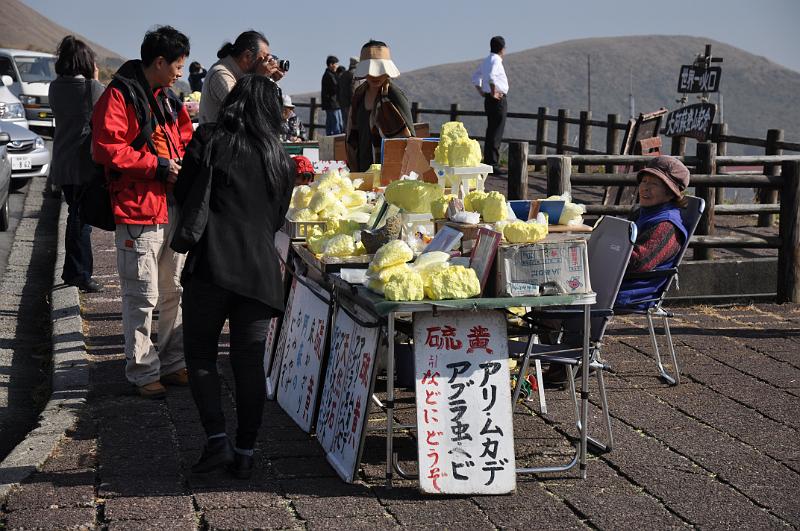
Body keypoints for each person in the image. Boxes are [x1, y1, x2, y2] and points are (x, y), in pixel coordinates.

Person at [173, 75, 294, 478]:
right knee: (248, 363)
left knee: (202, 355)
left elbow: (184, 195)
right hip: (259, 275)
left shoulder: (209, 139)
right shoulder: (280, 157)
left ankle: (216, 441)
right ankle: (246, 449)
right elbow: (278, 219)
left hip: (210, 267)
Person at [91, 25, 194, 399]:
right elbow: (106, 150)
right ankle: (142, 370)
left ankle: (172, 362)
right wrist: (158, 166)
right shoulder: (118, 95)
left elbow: (184, 139)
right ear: (161, 61)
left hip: (170, 205)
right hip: (138, 208)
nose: (181, 73)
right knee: (142, 293)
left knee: (173, 290)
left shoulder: (167, 97)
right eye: (178, 65)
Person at [542, 156, 691, 386]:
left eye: (654, 184)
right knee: (548, 287)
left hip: (633, 288)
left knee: (556, 296)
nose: (645, 188)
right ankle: (569, 356)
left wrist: (597, 251)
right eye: (644, 182)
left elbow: (638, 262)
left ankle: (572, 360)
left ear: (672, 192)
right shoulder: (644, 212)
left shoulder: (666, 225)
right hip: (614, 276)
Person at [48, 36, 105, 293]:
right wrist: (95, 76)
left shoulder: (54, 87)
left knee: (76, 214)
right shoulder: (90, 88)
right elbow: (105, 109)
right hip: (83, 163)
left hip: (62, 160)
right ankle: (80, 273)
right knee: (81, 219)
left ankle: (73, 271)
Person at [345, 40, 414, 172]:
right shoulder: (359, 95)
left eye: (379, 70)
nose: (375, 75)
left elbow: (410, 138)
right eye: (371, 70)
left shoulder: (394, 95)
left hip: (388, 171)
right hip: (361, 168)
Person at [198, 31, 283, 124]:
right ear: (247, 56)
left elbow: (268, 113)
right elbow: (244, 111)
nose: (265, 64)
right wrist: (260, 78)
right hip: (217, 137)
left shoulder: (242, 75)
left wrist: (269, 82)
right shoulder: (220, 73)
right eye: (263, 59)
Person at [472, 35, 508, 175]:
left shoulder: (487, 60)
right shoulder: (496, 60)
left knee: (491, 129)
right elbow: (492, 77)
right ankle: (493, 163)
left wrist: (482, 91)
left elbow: (475, 77)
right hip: (497, 98)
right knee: (496, 130)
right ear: (502, 49)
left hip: (488, 98)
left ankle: (489, 161)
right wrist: (493, 92)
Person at [321, 55, 342, 135]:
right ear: (331, 65)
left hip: (331, 104)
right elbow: (336, 87)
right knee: (336, 124)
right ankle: (337, 144)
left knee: (330, 124)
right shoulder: (329, 76)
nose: (337, 66)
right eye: (336, 64)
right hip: (333, 104)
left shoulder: (329, 74)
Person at [337, 56, 357, 131]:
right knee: (352, 125)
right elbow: (352, 90)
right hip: (350, 103)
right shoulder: (354, 74)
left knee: (346, 124)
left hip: (343, 103)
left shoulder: (344, 74)